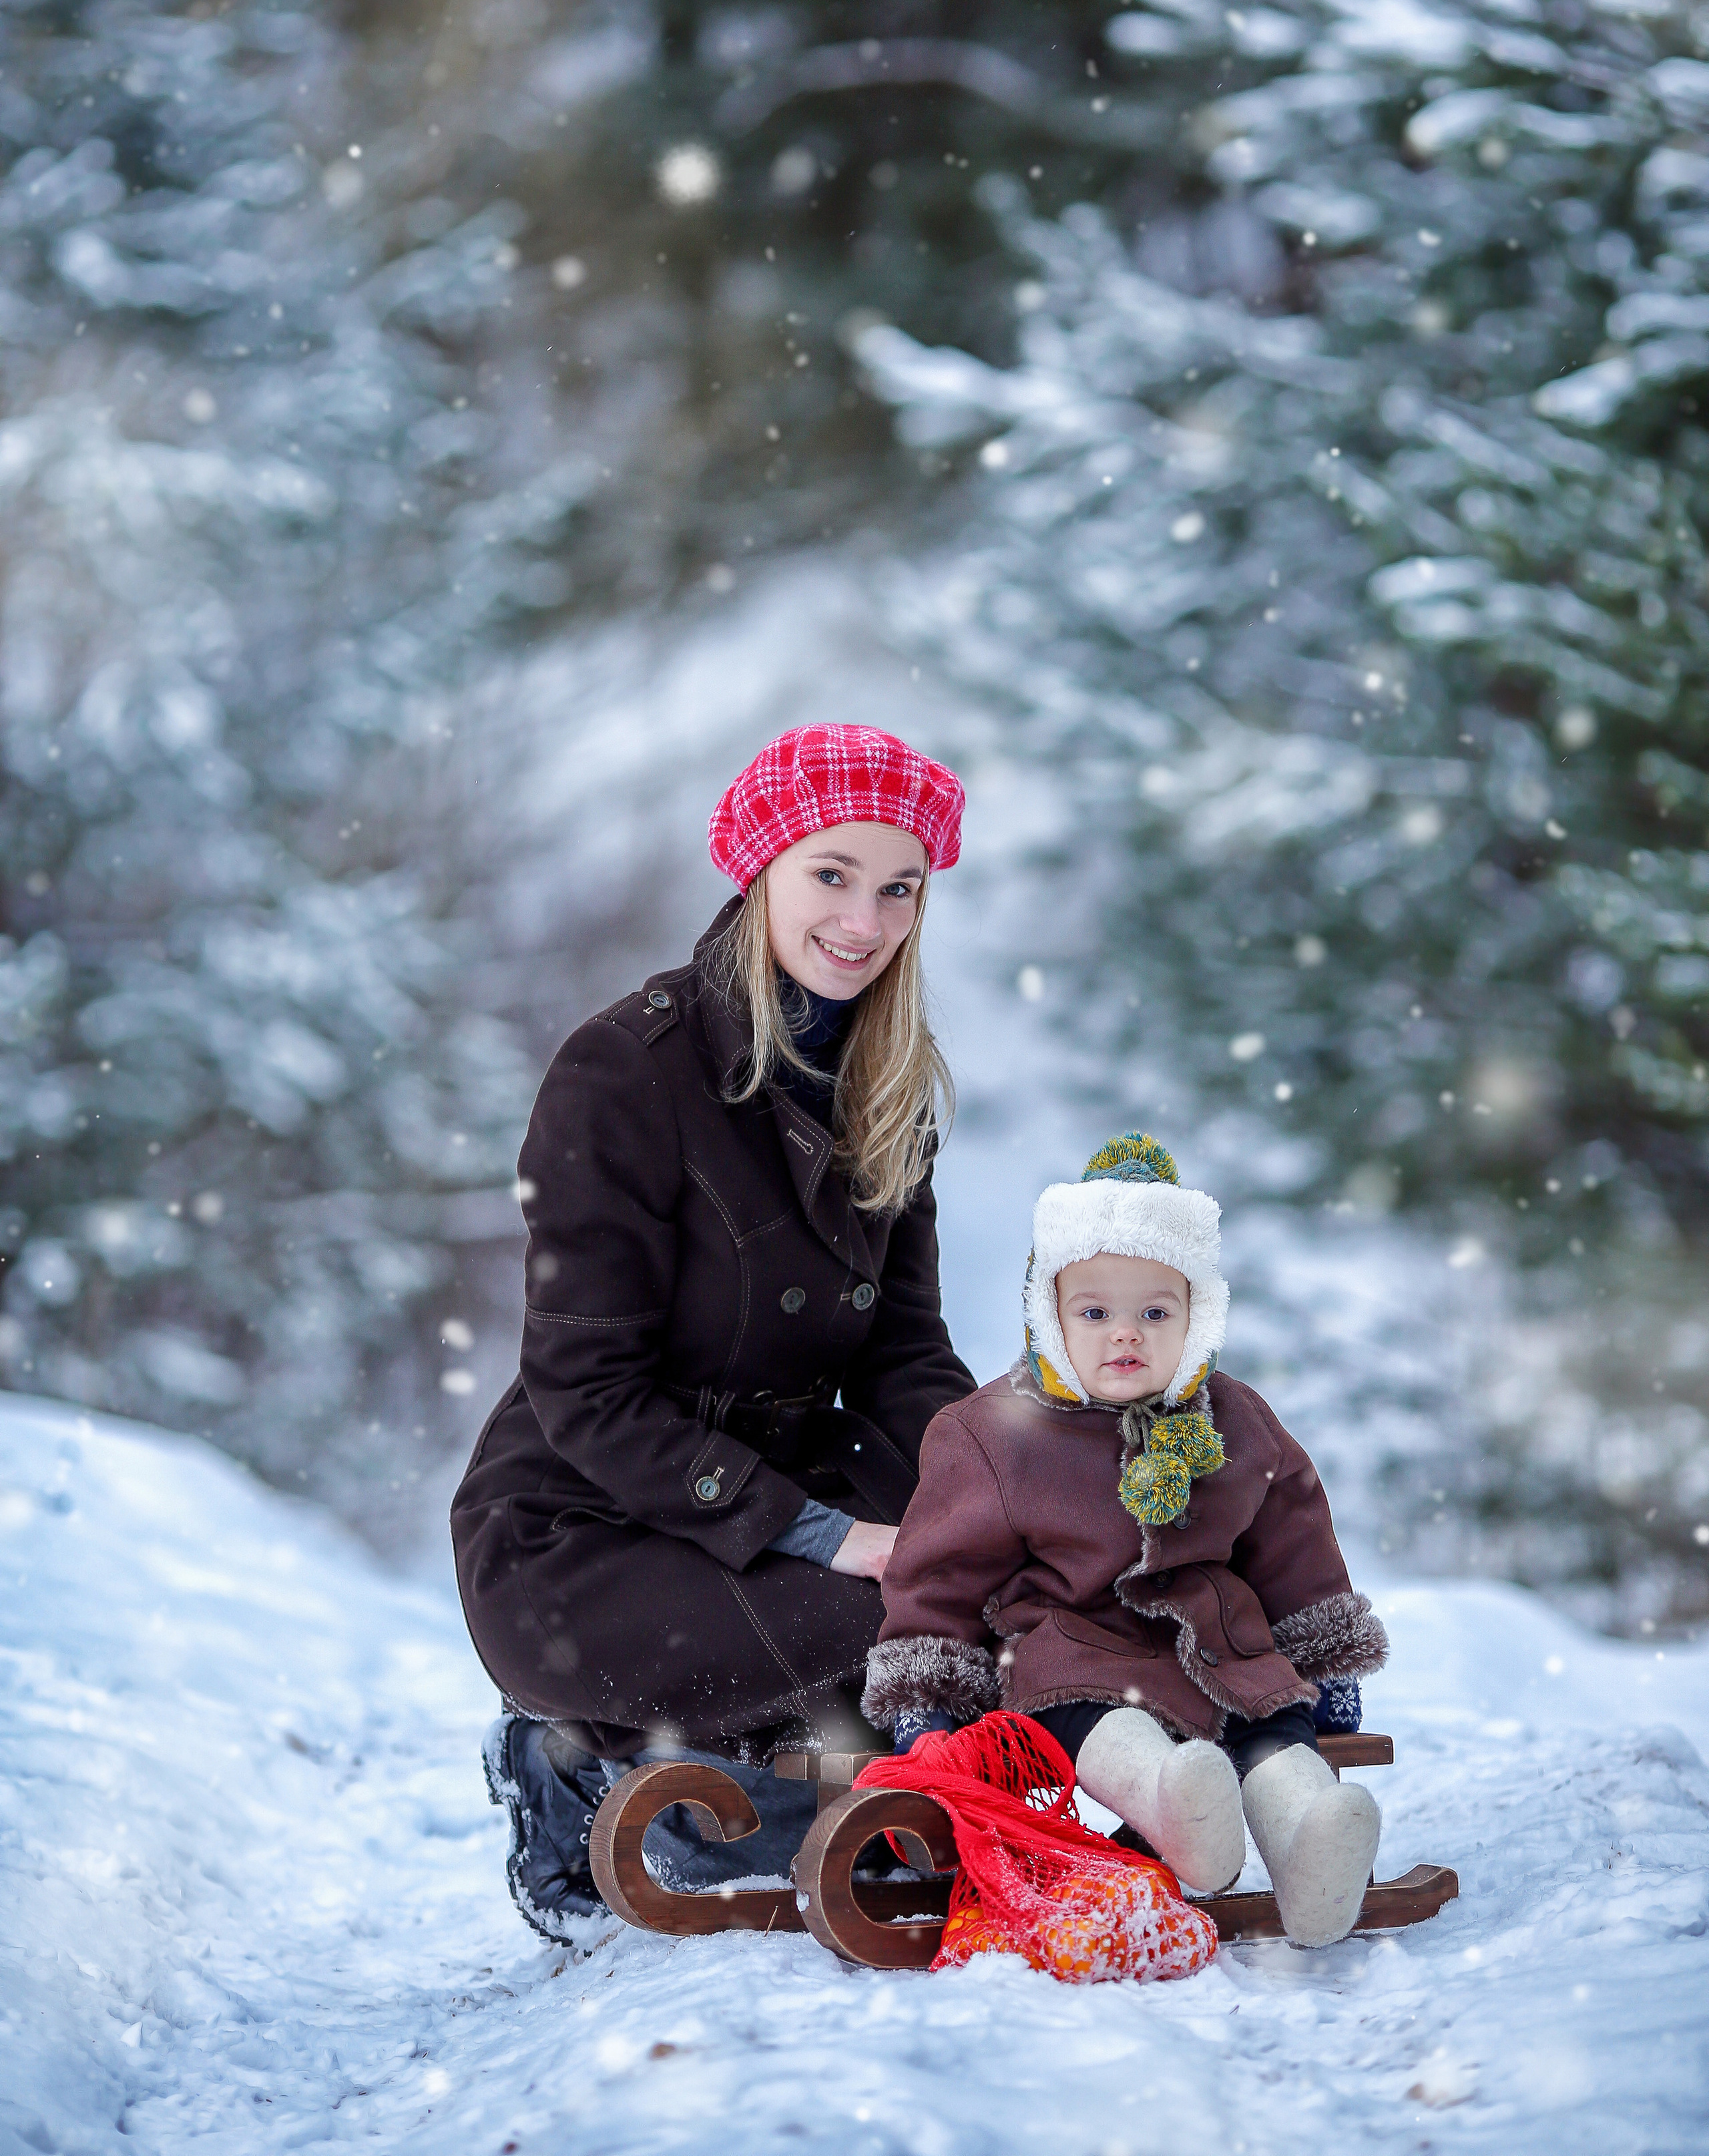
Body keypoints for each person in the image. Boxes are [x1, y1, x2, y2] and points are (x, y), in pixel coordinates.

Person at [452, 722, 976, 1934]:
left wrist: (1000, 1490)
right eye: (832, 876)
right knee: (909, 1624)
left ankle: (784, 1784)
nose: (865, 921)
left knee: (997, 1595)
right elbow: (586, 1391)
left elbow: (902, 1356)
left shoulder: (889, 1085)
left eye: (899, 889)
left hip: (793, 1479)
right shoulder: (624, 1072)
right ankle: (578, 1768)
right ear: (762, 869)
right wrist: (821, 1532)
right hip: (587, 1528)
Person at [861, 1130, 1389, 1948]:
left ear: (1197, 1318)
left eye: (1154, 1312)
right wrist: (928, 1693)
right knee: (1106, 1729)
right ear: (1049, 1316)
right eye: (1095, 1313)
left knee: (1274, 1731)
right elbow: (941, 1574)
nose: (1125, 1335)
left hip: (1224, 1655)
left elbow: (1296, 1549)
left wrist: (1322, 1663)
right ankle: (1178, 1809)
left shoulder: (1237, 1420)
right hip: (1073, 1659)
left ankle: (1313, 1841)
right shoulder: (995, 1432)